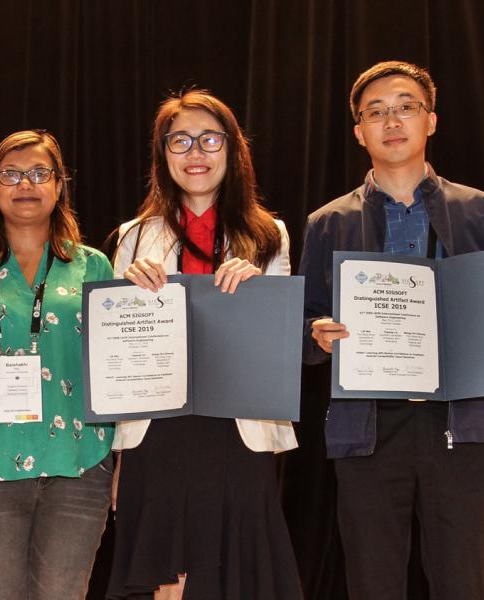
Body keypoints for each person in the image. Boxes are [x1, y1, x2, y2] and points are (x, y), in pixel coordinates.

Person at [298, 61, 484, 600]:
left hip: (459, 426)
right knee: (372, 583)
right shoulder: (327, 222)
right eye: (375, 112)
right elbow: (303, 321)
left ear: (432, 120)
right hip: (366, 429)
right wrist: (314, 332)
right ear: (359, 132)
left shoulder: (477, 209)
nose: (392, 120)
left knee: (463, 582)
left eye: (407, 106)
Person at [105, 90, 303, 600]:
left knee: (236, 575)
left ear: (232, 150)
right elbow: (113, 351)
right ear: (162, 154)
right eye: (180, 141)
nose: (196, 152)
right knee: (163, 582)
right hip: (158, 429)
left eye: (209, 139)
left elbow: (279, 344)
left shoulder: (269, 235)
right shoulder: (133, 237)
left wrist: (258, 291)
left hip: (239, 429)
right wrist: (125, 298)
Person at [0, 130, 114, 600]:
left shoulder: (94, 268)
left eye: (38, 173)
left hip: (80, 464)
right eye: (10, 173)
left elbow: (119, 374)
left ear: (59, 186)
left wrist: (124, 465)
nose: (25, 184)